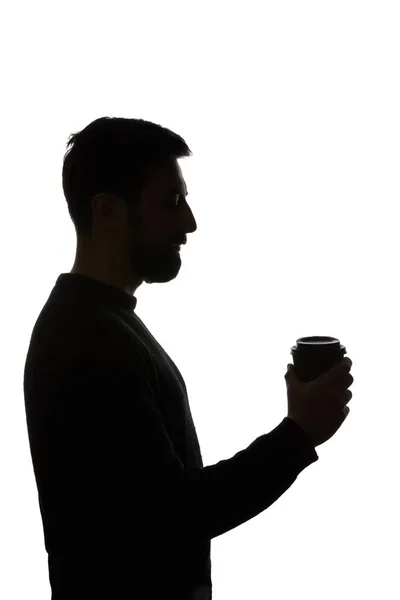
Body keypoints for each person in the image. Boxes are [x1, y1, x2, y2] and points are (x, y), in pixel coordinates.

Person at [23, 117, 326, 600]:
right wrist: (299, 433)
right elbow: (171, 517)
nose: (189, 222)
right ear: (106, 210)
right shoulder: (87, 338)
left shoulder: (100, 325)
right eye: (172, 202)